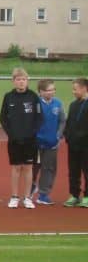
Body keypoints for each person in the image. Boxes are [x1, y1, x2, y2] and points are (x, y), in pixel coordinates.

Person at [0, 67, 43, 209]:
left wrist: (32, 133)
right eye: (18, 79)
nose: (21, 82)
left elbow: (39, 117)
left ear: (27, 80)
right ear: (13, 81)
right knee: (16, 168)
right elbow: (3, 118)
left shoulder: (33, 96)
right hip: (14, 140)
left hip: (30, 140)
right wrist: (11, 134)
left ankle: (27, 198)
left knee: (28, 168)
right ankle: (14, 197)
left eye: (24, 79)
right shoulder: (8, 97)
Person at [33, 79, 65, 205]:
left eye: (53, 90)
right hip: (36, 142)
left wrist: (58, 136)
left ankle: (43, 194)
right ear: (40, 92)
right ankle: (31, 186)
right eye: (47, 90)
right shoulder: (35, 103)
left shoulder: (58, 103)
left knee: (49, 168)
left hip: (52, 143)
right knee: (33, 167)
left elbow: (62, 121)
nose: (51, 92)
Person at [62, 77, 88, 207]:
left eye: (75, 89)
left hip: (85, 145)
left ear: (84, 89)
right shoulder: (73, 104)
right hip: (73, 144)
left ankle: (87, 197)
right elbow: (69, 122)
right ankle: (74, 195)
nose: (73, 92)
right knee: (73, 171)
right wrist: (67, 135)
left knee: (87, 171)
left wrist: (80, 136)